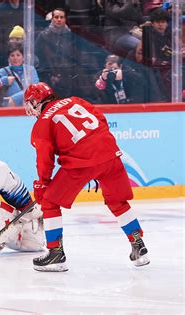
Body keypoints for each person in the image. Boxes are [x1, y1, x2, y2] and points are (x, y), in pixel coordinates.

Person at [23, 82, 150, 272]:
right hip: (109, 154)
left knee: (49, 202)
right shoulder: (75, 100)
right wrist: (97, 148)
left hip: (81, 164)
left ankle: (55, 253)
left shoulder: (42, 124)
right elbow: (101, 120)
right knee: (118, 202)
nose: (29, 108)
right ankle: (138, 244)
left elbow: (45, 160)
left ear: (36, 101)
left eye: (30, 103)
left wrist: (42, 185)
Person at [0, 42, 39, 107]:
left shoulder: (30, 70)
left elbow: (35, 89)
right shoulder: (3, 71)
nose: (15, 58)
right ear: (8, 58)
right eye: (12, 55)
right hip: (8, 111)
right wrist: (1, 81)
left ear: (23, 57)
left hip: (28, 109)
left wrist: (14, 99)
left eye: (18, 55)